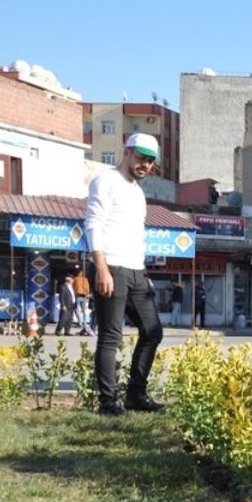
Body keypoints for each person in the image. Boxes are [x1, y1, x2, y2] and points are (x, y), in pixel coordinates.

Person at [83, 132, 165, 416]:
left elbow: (133, 234)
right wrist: (101, 267)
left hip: (135, 270)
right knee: (110, 336)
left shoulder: (138, 192)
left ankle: (135, 395)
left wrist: (142, 270)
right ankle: (108, 403)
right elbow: (93, 224)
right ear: (127, 152)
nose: (145, 165)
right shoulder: (106, 180)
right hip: (111, 266)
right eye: (141, 157)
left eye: (150, 161)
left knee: (153, 330)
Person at [72, 266, 93, 336]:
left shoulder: (75, 279)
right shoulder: (85, 279)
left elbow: (73, 287)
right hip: (84, 296)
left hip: (77, 295)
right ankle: (84, 323)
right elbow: (88, 287)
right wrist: (87, 293)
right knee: (83, 311)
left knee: (77, 310)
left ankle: (80, 323)